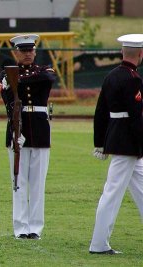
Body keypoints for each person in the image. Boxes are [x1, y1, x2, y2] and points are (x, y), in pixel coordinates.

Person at [89, 34, 143, 255]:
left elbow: (100, 112)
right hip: (128, 143)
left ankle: (99, 243)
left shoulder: (111, 76)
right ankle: (99, 244)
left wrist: (100, 143)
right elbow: (135, 117)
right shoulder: (133, 79)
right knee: (111, 193)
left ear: (122, 52)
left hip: (117, 138)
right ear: (140, 54)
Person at [0, 34, 56, 240]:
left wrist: (20, 80)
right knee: (19, 181)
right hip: (18, 129)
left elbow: (48, 78)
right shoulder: (7, 74)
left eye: (31, 50)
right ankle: (21, 227)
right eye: (23, 51)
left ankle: (35, 228)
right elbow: (7, 92)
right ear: (16, 53)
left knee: (38, 183)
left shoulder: (44, 70)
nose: (28, 54)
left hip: (40, 130)